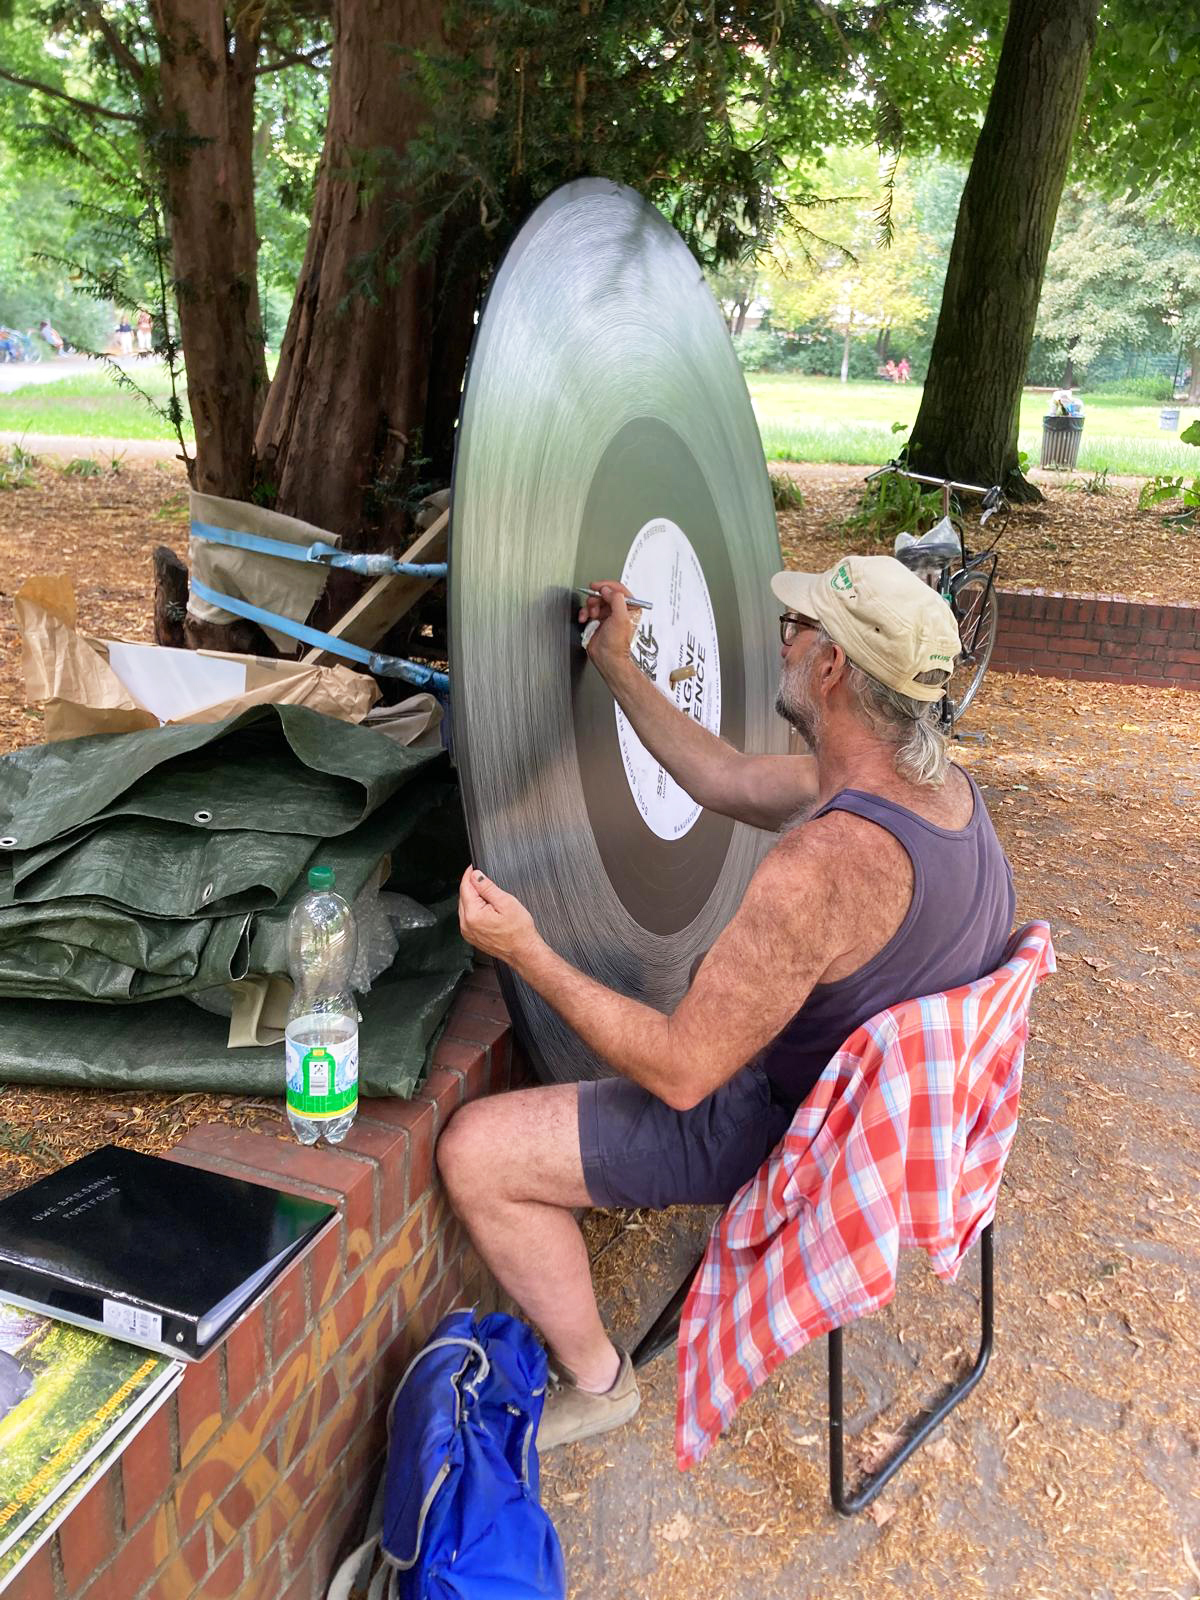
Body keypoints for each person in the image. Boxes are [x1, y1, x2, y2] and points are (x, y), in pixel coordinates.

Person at [438, 555, 1015, 1451]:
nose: (781, 636)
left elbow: (679, 1071)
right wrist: (616, 663)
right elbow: (724, 779)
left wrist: (527, 950)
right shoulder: (935, 792)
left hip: (795, 1136)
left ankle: (599, 1383)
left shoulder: (819, 871)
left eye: (800, 628)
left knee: (477, 1152)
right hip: (899, 1124)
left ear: (830, 671)